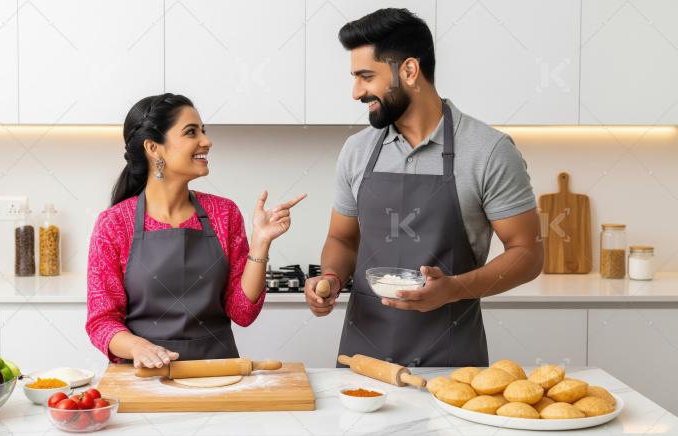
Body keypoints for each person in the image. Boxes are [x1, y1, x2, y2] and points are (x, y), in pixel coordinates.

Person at [304, 9, 543, 367]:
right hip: (362, 362)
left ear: (409, 71)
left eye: (366, 76)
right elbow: (342, 238)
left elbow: (528, 254)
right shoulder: (357, 151)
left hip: (452, 365)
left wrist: (454, 289)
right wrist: (332, 278)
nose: (356, 92)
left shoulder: (488, 151)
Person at [87, 93, 305, 368]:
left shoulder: (223, 213)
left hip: (217, 374)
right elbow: (101, 321)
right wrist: (138, 347)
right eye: (191, 132)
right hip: (143, 376)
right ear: (153, 148)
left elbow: (242, 312)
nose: (206, 141)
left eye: (203, 130)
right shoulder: (115, 224)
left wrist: (261, 243)